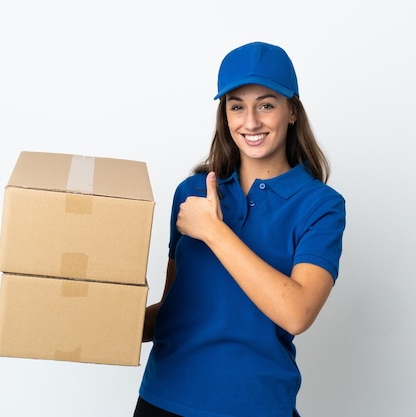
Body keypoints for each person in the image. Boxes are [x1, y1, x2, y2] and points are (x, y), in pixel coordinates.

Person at [133, 41, 346, 417]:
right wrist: (94, 321)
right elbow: (174, 308)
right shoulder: (193, 193)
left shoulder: (320, 205)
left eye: (266, 104)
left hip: (255, 406)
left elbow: (297, 312)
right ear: (225, 115)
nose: (250, 122)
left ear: (292, 110)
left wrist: (215, 232)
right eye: (237, 106)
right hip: (162, 400)